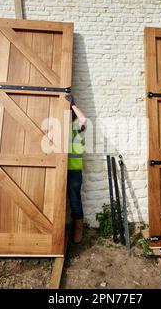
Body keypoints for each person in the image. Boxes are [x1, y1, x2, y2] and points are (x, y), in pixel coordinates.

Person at [66, 94, 87, 243]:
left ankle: (78, 230)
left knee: (74, 201)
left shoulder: (75, 125)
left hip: (73, 171)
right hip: (58, 169)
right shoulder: (58, 125)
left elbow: (83, 120)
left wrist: (73, 104)